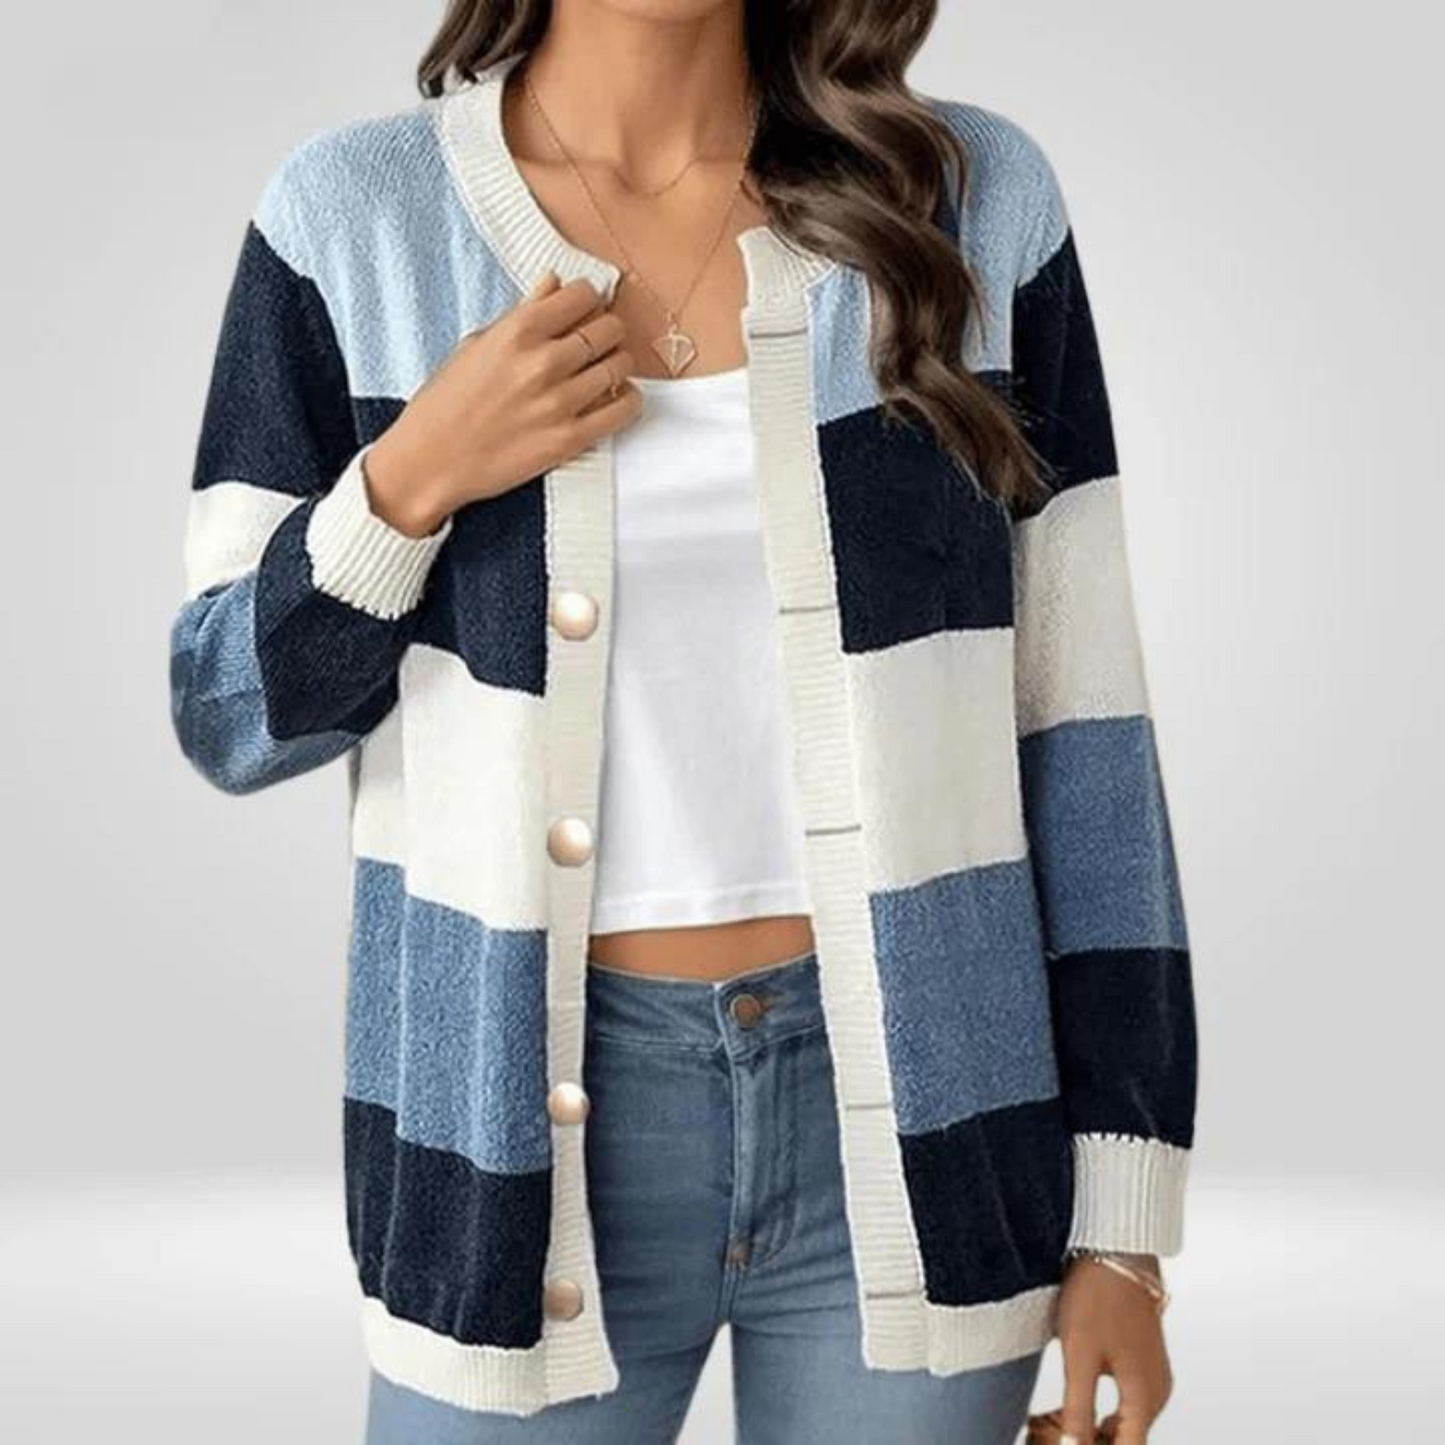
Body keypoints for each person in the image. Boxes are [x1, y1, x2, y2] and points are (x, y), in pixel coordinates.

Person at [169, 3, 1198, 1442]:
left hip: (927, 1119)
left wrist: (1124, 1230)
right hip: (503, 1138)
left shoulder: (965, 201)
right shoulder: (353, 220)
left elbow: (1083, 732)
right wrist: (412, 478)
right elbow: (229, 715)